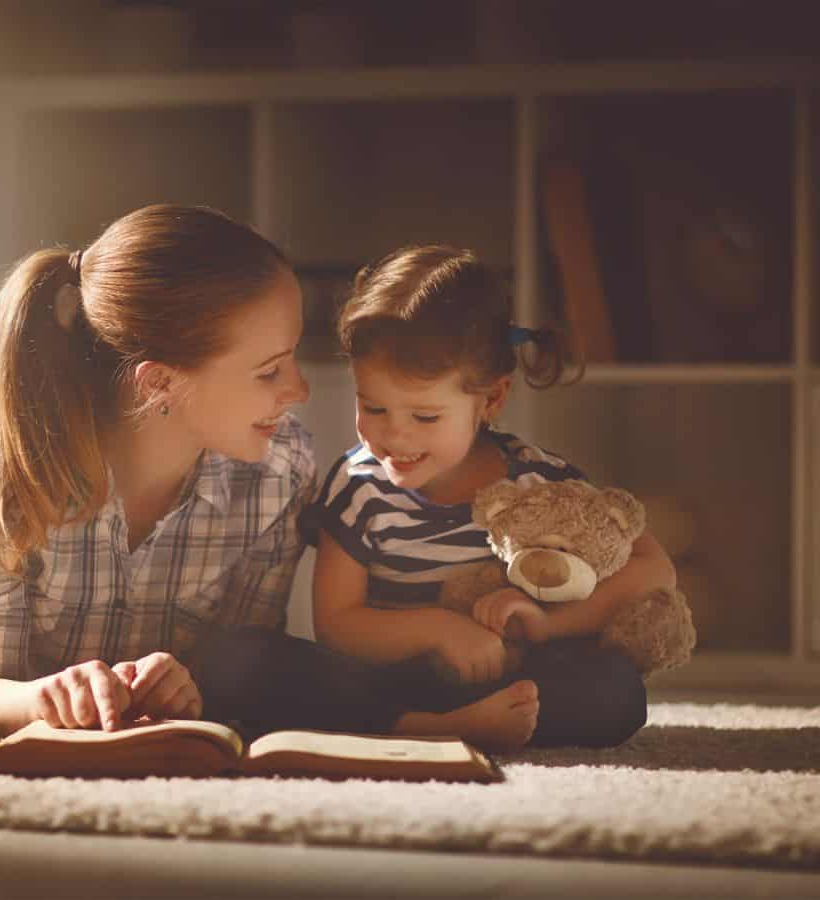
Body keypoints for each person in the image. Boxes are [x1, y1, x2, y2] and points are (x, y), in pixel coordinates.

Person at [196, 245, 672, 751]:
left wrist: (548, 624)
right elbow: (337, 624)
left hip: (509, 677)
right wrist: (440, 630)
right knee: (233, 662)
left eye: (425, 417)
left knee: (614, 690)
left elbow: (653, 567)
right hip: (387, 683)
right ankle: (425, 728)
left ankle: (452, 721)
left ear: (490, 399)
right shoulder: (358, 486)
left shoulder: (539, 481)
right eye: (373, 407)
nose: (394, 437)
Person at [0, 204, 313, 739]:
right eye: (269, 371)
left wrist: (192, 685)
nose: (299, 391)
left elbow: (243, 669)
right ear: (159, 384)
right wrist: (43, 698)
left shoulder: (280, 472)